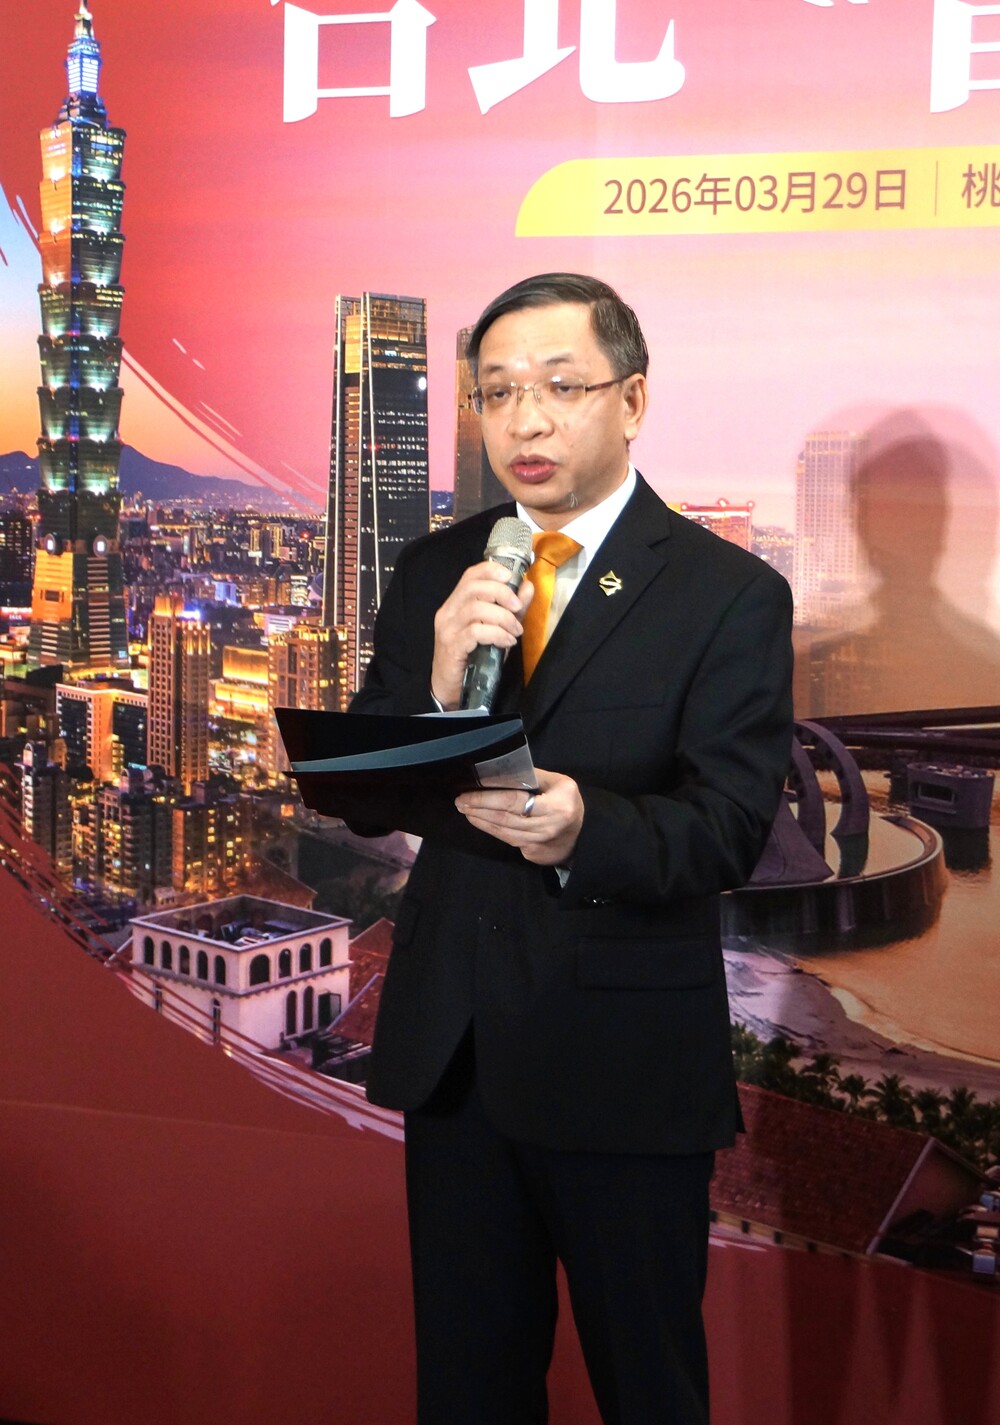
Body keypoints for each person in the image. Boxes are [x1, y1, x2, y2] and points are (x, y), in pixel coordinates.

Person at [351, 273, 794, 1424]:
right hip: (455, 1054)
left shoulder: (726, 594)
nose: (525, 420)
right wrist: (435, 689)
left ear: (632, 400)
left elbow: (730, 828)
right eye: (498, 393)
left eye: (559, 386)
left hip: (622, 1068)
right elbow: (365, 802)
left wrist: (586, 827)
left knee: (648, 1389)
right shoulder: (436, 568)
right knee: (468, 1389)